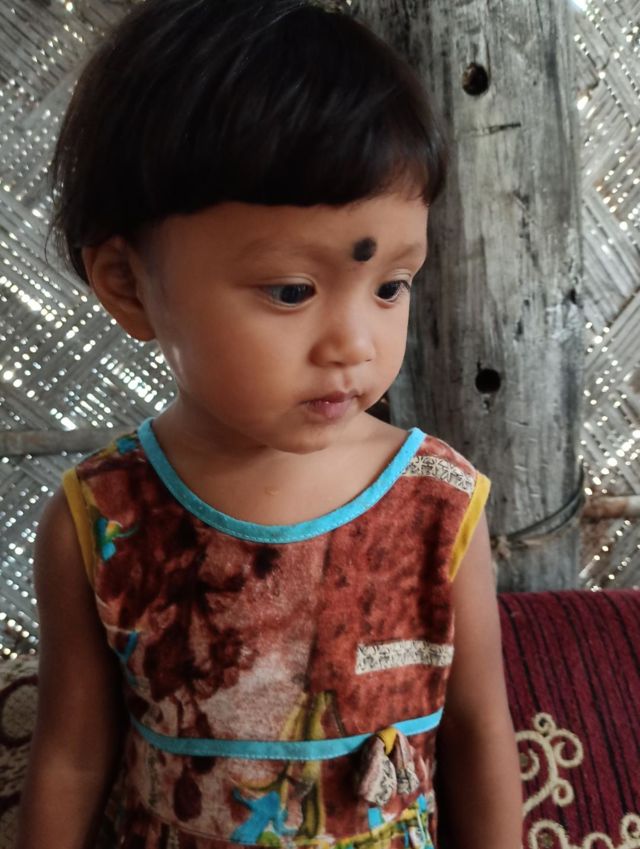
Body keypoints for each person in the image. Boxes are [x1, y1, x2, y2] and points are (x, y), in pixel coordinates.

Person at [16, 1, 523, 847]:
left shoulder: (439, 509)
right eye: (292, 290)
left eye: (391, 285)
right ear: (128, 285)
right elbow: (71, 757)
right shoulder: (101, 522)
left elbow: (478, 737)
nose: (353, 344)